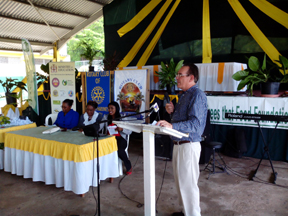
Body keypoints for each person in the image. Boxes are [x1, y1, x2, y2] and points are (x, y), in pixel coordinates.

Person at [156, 63, 207, 216]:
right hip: (178, 144)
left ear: (191, 77)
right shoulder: (184, 95)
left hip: (188, 145)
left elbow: (196, 124)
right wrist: (172, 114)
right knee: (181, 183)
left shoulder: (197, 95)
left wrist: (171, 125)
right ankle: (186, 211)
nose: (176, 78)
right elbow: (182, 123)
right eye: (177, 75)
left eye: (180, 75)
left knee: (189, 185)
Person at [102, 101, 132, 175]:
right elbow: (100, 126)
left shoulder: (123, 118)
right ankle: (105, 168)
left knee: (119, 150)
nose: (110, 110)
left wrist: (122, 129)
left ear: (117, 109)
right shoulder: (106, 117)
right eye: (109, 108)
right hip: (108, 138)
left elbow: (130, 131)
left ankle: (128, 165)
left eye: (112, 108)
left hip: (120, 138)